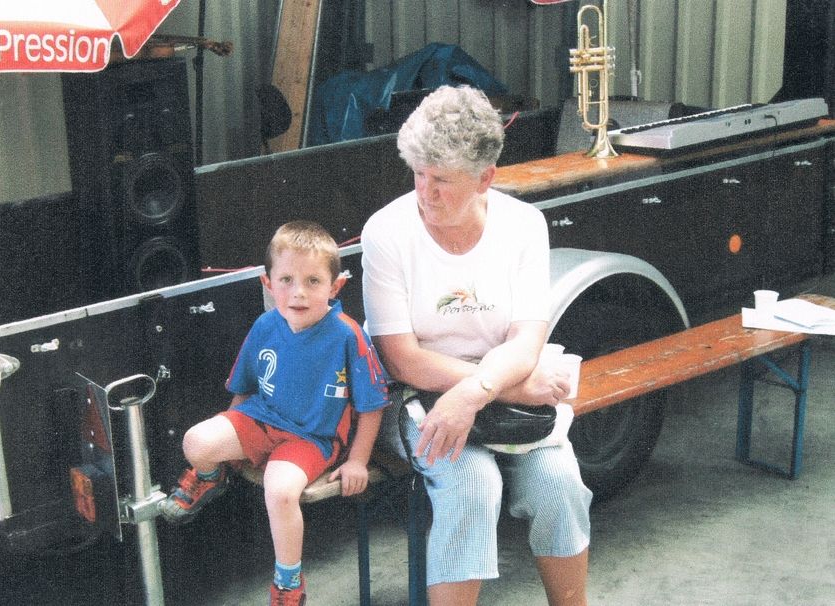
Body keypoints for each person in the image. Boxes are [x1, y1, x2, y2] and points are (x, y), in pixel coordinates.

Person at [361, 85, 592, 606]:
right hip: (415, 394)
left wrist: (478, 391)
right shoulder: (386, 232)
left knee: (559, 483)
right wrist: (505, 388)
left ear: (485, 178)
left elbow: (527, 339)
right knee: (472, 485)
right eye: (418, 174)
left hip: (498, 382)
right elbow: (401, 358)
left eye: (442, 180)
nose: (426, 192)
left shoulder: (524, 225)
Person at [160, 220, 390, 605]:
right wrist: (228, 447)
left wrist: (358, 461)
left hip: (310, 438)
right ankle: (211, 478)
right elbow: (244, 388)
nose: (298, 292)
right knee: (196, 441)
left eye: (313, 281)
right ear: (268, 284)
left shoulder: (347, 335)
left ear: (335, 287)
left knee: (280, 491)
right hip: (261, 420)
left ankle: (288, 584)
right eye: (286, 280)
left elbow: (372, 405)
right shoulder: (265, 325)